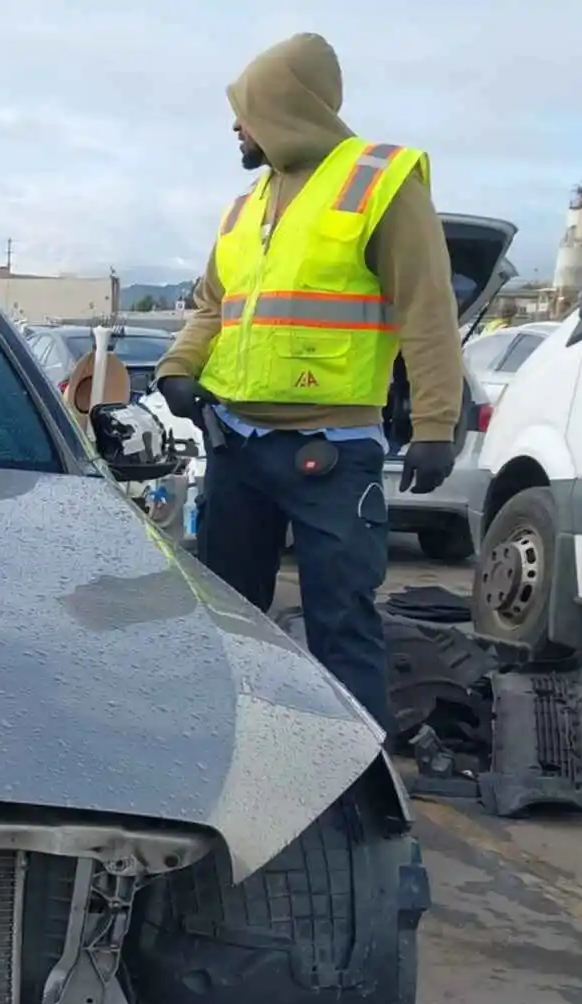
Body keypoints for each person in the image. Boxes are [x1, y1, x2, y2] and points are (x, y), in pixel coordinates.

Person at [153, 32, 463, 735]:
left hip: (331, 450)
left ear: (287, 109)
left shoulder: (379, 184)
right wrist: (179, 368)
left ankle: (359, 795)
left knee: (340, 623)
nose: (237, 126)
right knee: (229, 618)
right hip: (236, 444)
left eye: (248, 111)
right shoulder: (246, 207)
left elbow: (426, 307)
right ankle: (232, 750)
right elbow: (212, 304)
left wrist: (436, 425)